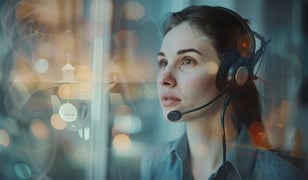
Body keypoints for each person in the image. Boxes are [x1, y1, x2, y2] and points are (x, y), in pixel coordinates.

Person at [141, 5, 305, 180]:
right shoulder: (155, 163)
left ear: (234, 75)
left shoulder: (282, 176)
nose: (164, 78)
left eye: (188, 61)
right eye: (163, 62)